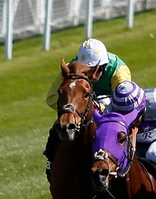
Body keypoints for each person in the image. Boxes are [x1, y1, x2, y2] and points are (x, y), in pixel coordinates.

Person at [43, 38, 132, 181]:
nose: (90, 75)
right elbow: (52, 97)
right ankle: (51, 160)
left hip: (110, 107)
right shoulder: (71, 68)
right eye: (86, 70)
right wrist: (74, 110)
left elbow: (124, 103)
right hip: (81, 108)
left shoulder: (119, 71)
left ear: (103, 65)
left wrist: (98, 108)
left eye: (95, 70)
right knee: (58, 125)